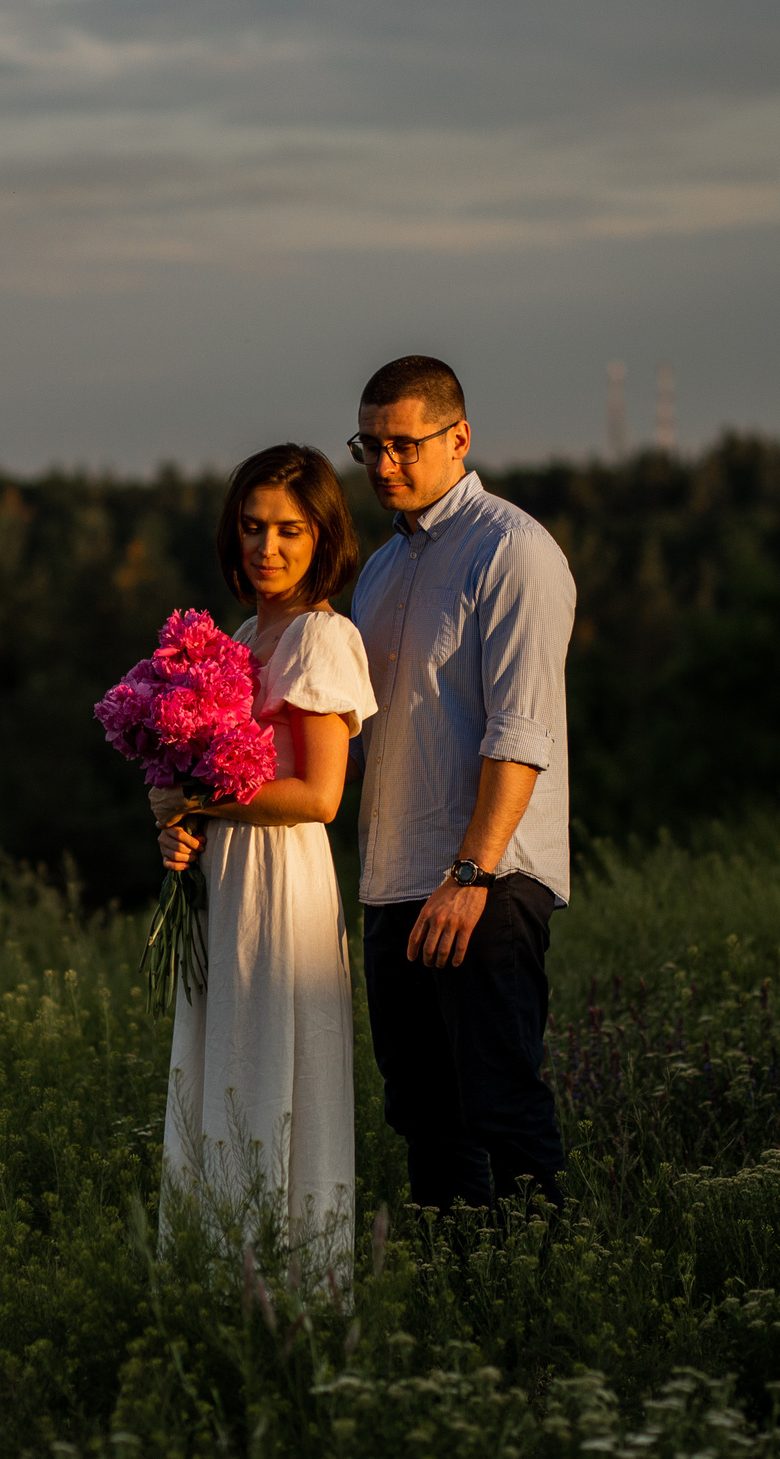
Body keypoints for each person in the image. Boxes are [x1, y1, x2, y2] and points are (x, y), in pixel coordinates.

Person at [346, 354, 576, 1213]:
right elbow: (369, 742)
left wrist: (471, 875)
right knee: (423, 1115)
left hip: (487, 879)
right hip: (395, 879)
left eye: (404, 445)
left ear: (460, 437)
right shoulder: (380, 570)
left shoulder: (512, 551)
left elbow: (522, 730)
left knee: (502, 1105)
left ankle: (540, 1304)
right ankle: (462, 1296)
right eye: (369, 447)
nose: (384, 465)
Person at [150, 443, 377, 1258]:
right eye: (252, 527)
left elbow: (318, 797)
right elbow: (221, 781)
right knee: (226, 1073)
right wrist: (180, 819)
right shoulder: (246, 634)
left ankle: (289, 1280)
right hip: (229, 877)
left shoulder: (320, 637)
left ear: (323, 536)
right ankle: (222, 1268)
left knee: (273, 1073)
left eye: (288, 528)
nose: (267, 547)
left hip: (281, 884)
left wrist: (201, 796)